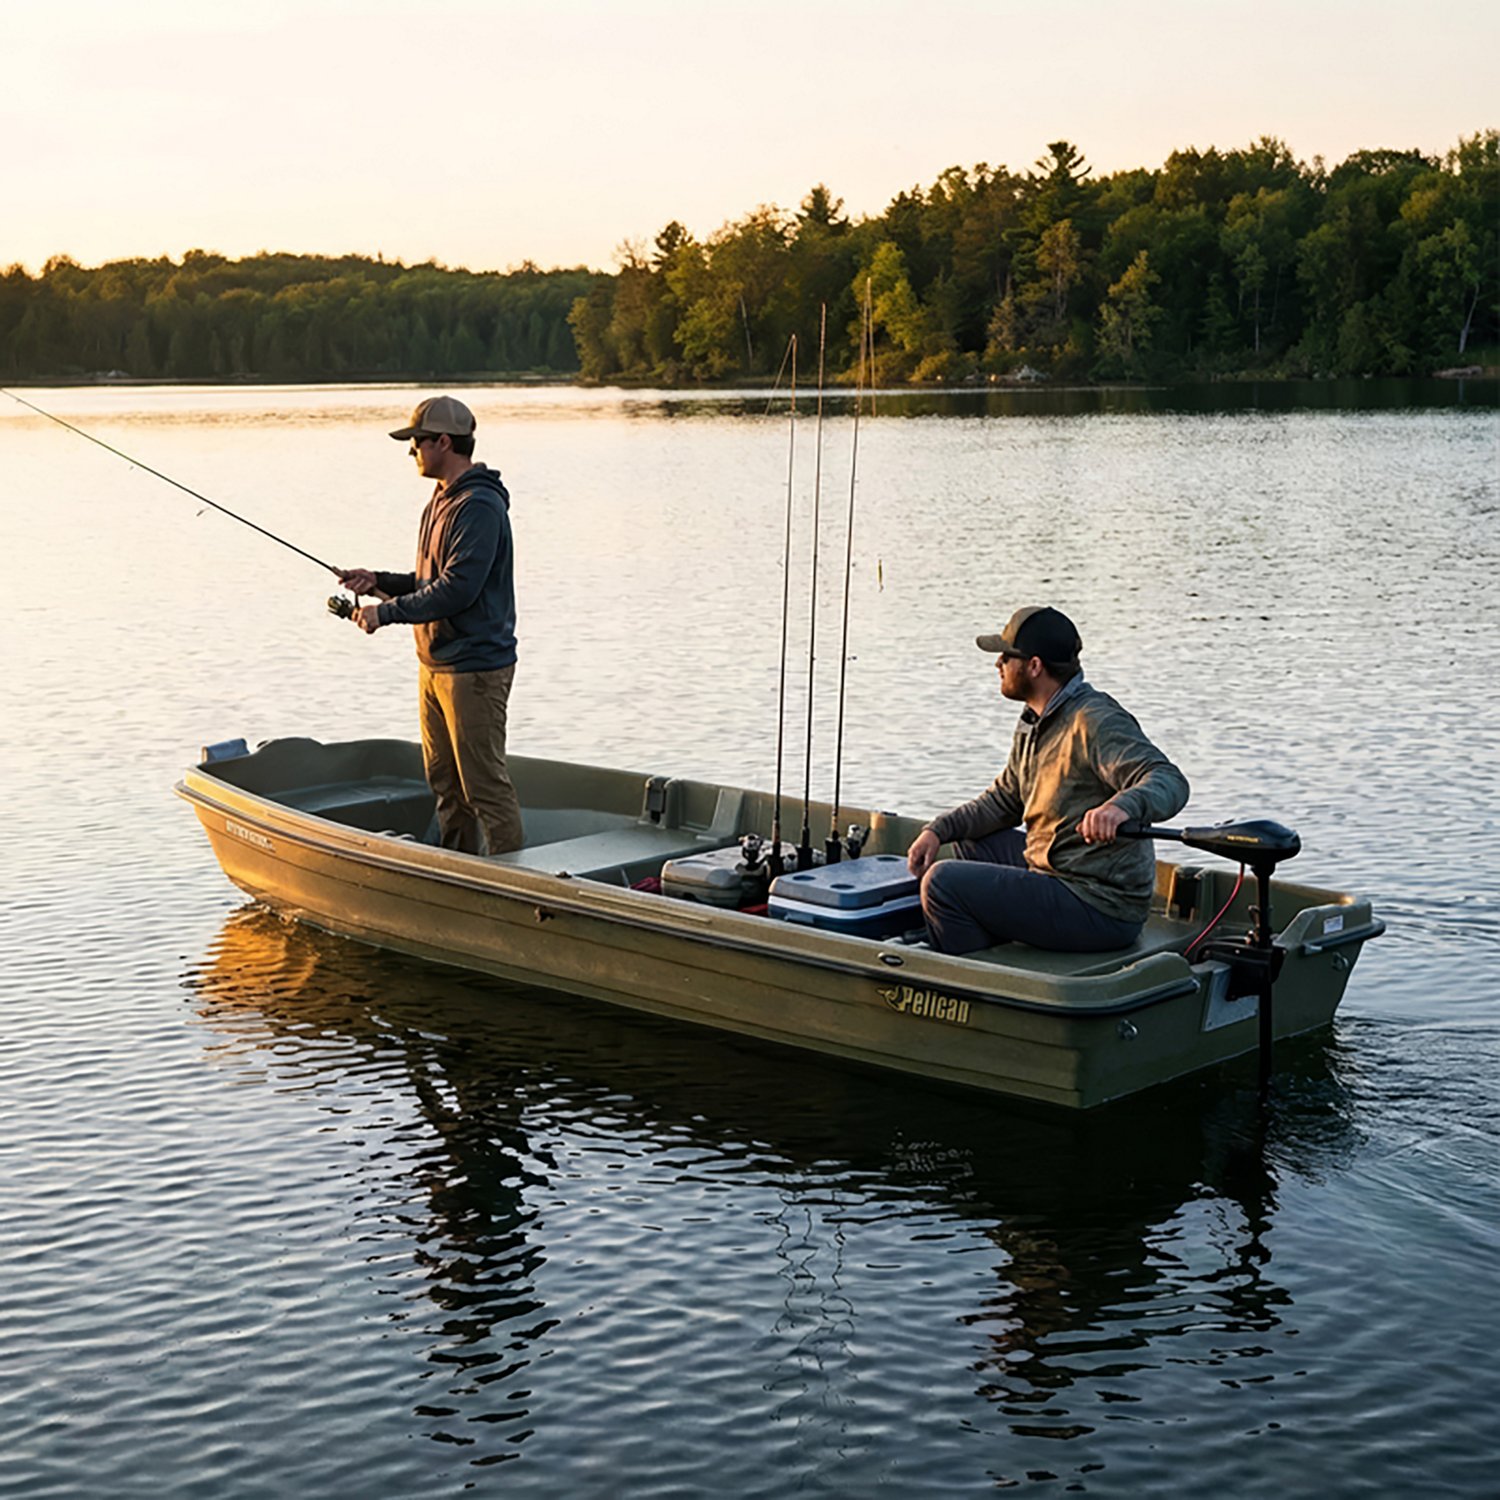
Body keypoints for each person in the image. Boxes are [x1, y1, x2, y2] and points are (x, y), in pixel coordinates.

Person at [907, 606, 1188, 955]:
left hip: (1099, 906)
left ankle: (979, 981)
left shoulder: (1094, 720)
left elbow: (1168, 779)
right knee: (967, 845)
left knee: (942, 883)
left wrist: (1120, 807)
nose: (998, 664)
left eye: (1006, 657)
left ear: (1034, 666)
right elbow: (1003, 801)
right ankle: (995, 947)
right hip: (1054, 874)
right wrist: (938, 829)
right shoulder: (1034, 722)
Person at [338, 395, 524, 856]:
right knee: (446, 784)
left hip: (474, 669)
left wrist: (386, 612)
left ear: (444, 441)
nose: (411, 452)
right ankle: (459, 873)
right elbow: (431, 581)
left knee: (483, 786)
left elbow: (459, 589)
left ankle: (517, 884)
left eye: (417, 442)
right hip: (436, 664)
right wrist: (379, 581)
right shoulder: (442, 500)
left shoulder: (478, 506)